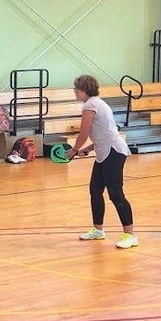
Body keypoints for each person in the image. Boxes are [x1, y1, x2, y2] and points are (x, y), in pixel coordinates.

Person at [67, 74, 137, 249]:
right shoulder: (96, 103)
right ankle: (98, 230)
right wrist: (87, 149)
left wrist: (74, 150)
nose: (75, 91)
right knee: (95, 190)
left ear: (84, 90)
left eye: (77, 88)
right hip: (104, 151)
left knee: (116, 194)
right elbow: (102, 133)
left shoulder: (90, 106)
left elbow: (83, 133)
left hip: (114, 152)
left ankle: (130, 235)